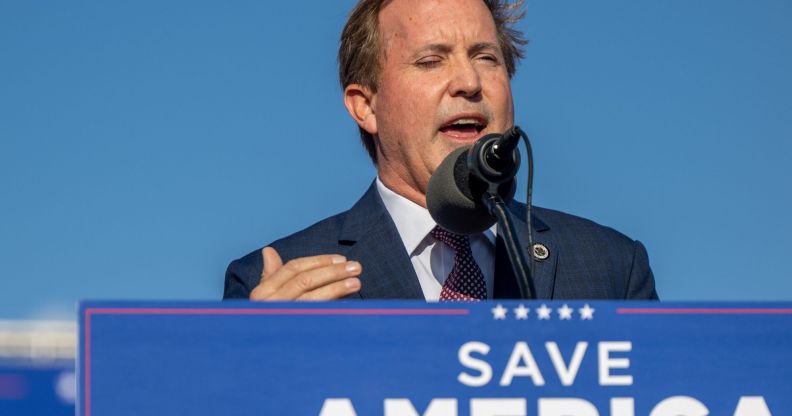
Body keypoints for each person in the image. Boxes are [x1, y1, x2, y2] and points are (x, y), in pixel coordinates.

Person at [223, 0, 658, 301]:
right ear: (366, 105)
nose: (469, 82)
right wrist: (262, 365)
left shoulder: (612, 267)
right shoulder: (273, 282)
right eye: (432, 61)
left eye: (486, 58)